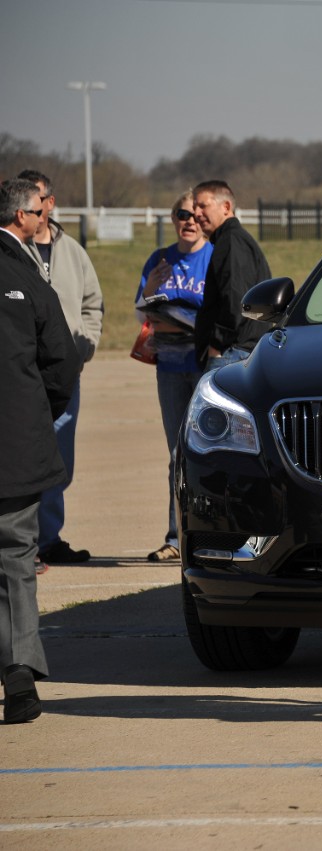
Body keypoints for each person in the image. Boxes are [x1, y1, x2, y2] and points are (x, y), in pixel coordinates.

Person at [0, 178, 81, 723]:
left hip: (17, 437)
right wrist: (37, 413)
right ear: (22, 217)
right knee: (15, 560)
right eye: (39, 213)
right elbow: (61, 360)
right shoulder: (26, 275)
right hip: (15, 443)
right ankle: (20, 677)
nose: (43, 221)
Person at [15, 170, 104, 568]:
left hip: (65, 372)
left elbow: (92, 302)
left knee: (59, 459)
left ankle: (49, 538)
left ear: (50, 203)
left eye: (37, 202)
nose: (32, 212)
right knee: (23, 456)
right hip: (23, 375)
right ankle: (23, 543)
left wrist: (84, 345)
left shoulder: (73, 251)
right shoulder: (13, 251)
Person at [134, 191, 212, 562]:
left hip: (203, 363)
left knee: (209, 453)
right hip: (169, 365)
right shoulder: (159, 259)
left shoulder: (214, 258)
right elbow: (141, 311)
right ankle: (176, 538)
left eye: (196, 214)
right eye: (182, 214)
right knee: (177, 454)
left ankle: (210, 534)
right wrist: (152, 287)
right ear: (173, 218)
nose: (190, 221)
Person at [190, 180, 272, 372]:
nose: (196, 213)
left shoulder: (231, 242)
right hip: (235, 350)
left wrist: (216, 346)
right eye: (195, 207)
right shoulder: (229, 240)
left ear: (226, 207)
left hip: (232, 353)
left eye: (203, 205)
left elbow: (236, 300)